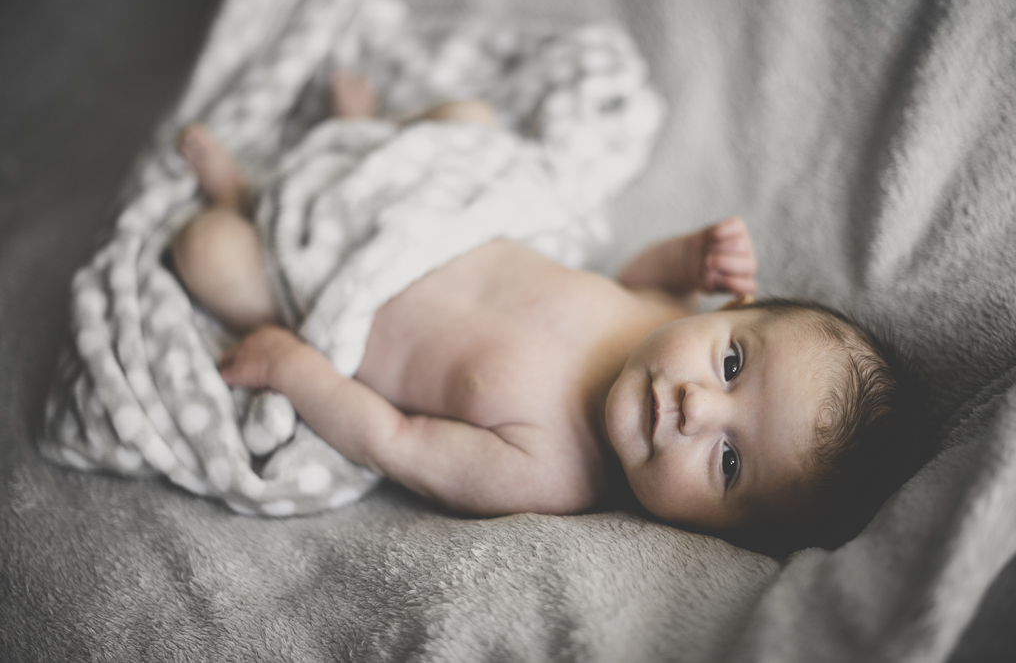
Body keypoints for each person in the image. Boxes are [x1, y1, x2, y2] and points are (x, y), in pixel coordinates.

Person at [172, 71, 922, 552]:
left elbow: (393, 439)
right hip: (427, 205)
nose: (697, 406)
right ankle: (372, 129)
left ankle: (241, 195)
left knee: (207, 256)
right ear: (736, 308)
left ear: (718, 535)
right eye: (732, 364)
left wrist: (293, 370)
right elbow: (630, 276)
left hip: (333, 281)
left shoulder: (549, 476)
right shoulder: (656, 316)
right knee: (466, 116)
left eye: (729, 462)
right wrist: (686, 257)